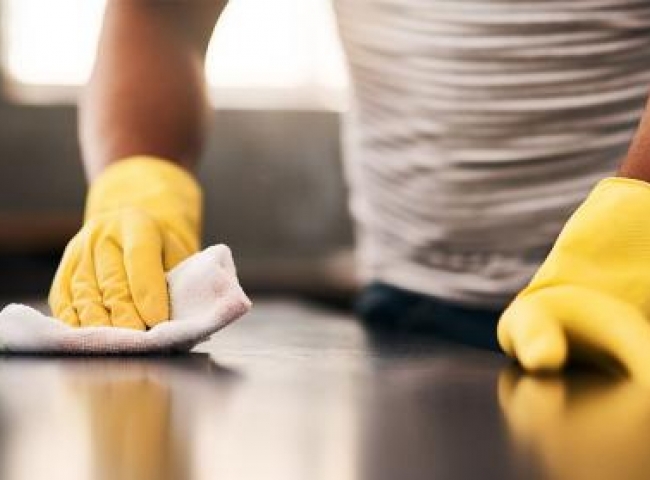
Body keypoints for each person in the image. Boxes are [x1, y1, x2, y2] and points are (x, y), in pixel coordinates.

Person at [48, 0, 650, 380]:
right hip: (412, 309)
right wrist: (139, 182)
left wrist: (635, 229)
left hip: (633, 311)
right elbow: (164, 13)